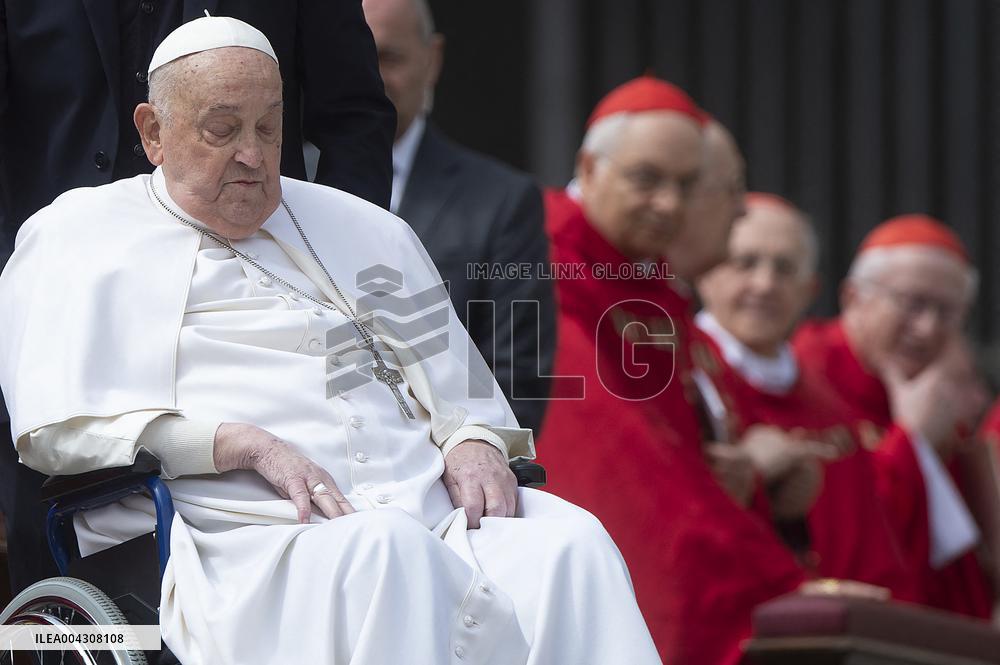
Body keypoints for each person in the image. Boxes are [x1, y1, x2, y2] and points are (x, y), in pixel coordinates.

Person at [0, 18, 660, 664]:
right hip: (240, 540)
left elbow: (460, 386)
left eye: (268, 127)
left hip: (429, 513)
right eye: (223, 130)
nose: (253, 155)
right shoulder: (78, 237)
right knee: (387, 553)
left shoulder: (364, 227)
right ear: (153, 132)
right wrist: (236, 442)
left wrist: (474, 438)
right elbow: (58, 431)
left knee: (570, 545)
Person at [0, 0, 396, 595]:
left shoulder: (372, 243)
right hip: (64, 296)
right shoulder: (62, 242)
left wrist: (326, 256)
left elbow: (354, 117)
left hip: (257, 282)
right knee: (57, 571)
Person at [536, 76, 804, 665]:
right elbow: (621, 463)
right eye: (647, 179)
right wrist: (778, 588)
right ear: (589, 167)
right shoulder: (541, 260)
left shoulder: (649, 281)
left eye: (686, 185)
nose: (670, 206)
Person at [693, 193, 917, 599]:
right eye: (745, 263)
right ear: (706, 274)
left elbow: (873, 553)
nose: (765, 284)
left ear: (809, 289)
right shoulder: (685, 377)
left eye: (784, 268)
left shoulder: (831, 409)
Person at [356, 0, 555, 434]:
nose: (369, 76)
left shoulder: (502, 202)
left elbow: (515, 382)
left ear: (433, 59)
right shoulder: (285, 187)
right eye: (353, 56)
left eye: (389, 57)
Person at [793, 214, 997, 619]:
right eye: (913, 304)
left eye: (948, 312)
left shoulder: (937, 389)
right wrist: (912, 439)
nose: (927, 329)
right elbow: (847, 538)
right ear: (853, 297)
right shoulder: (808, 374)